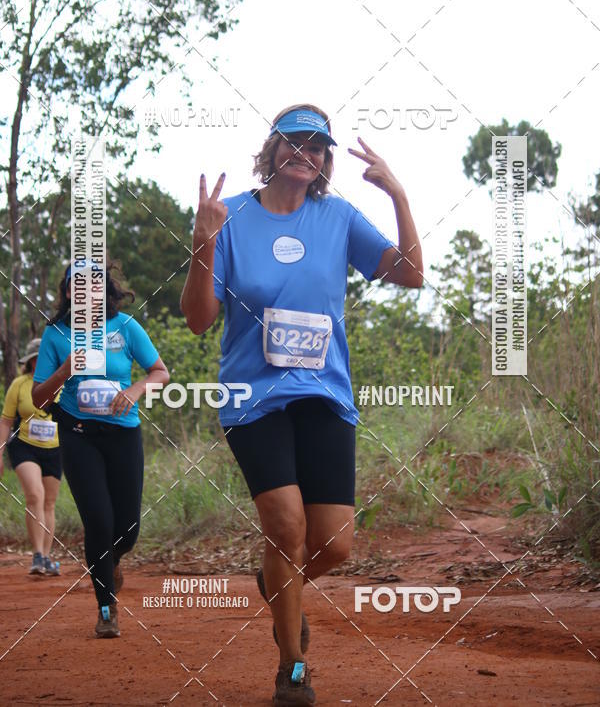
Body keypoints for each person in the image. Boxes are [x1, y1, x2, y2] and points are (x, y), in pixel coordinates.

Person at [181, 104, 423, 705]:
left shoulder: (337, 217)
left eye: (318, 147)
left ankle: (274, 585)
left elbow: (413, 274)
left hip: (324, 394)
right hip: (252, 396)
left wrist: (398, 193)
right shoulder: (231, 215)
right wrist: (203, 243)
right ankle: (292, 666)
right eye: (294, 142)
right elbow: (197, 320)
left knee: (334, 544)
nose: (305, 153)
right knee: (285, 525)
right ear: (273, 149)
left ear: (325, 161)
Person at [31, 260, 169, 638]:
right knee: (99, 520)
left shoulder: (124, 327)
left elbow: (160, 371)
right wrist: (63, 373)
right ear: (68, 294)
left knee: (127, 530)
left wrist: (136, 389)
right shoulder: (56, 335)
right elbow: (39, 398)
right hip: (78, 435)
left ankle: (112, 563)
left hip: (123, 433)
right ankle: (106, 607)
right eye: (75, 287)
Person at [0, 338, 61, 576]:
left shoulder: (63, 383)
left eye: (43, 357)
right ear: (30, 362)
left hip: (55, 448)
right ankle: (36, 555)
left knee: (49, 502)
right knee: (35, 495)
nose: (39, 362)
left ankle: (46, 557)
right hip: (24, 446)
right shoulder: (20, 384)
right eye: (36, 358)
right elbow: (5, 420)